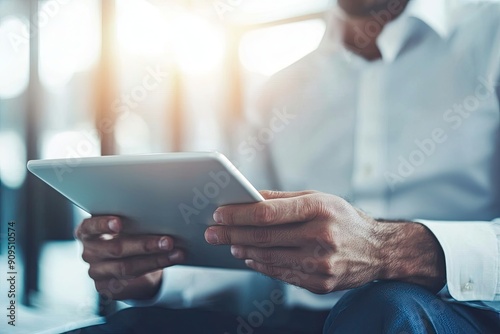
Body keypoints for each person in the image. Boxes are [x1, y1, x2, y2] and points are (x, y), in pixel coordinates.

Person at [73, 0, 500, 332]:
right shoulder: (277, 94)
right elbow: (258, 267)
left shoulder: (491, 36)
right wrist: (156, 276)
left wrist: (388, 249)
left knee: (386, 312)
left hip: (457, 317)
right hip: (296, 321)